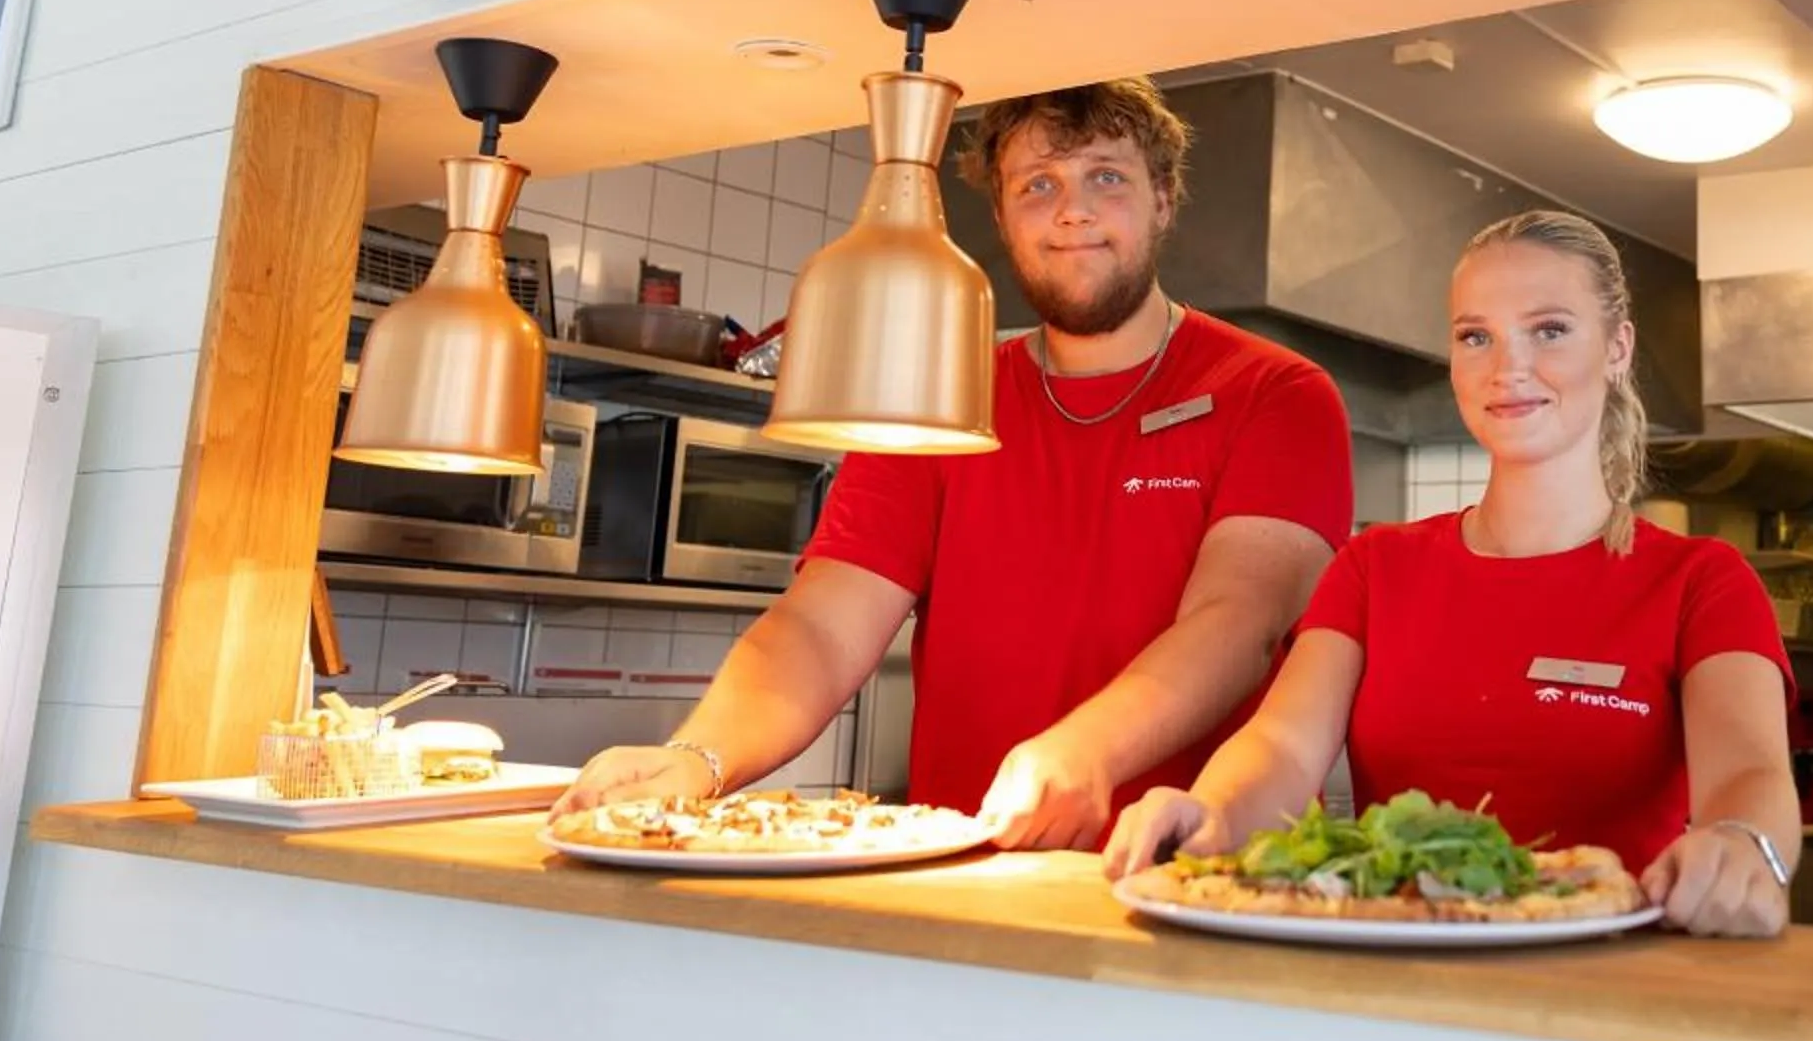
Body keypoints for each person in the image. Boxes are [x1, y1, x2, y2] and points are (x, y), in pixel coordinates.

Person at [558, 80, 1354, 850]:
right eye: (1038, 184)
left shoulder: (1274, 393)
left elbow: (1238, 621)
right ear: (1002, 217)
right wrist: (698, 758)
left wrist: (1090, 752)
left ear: (1164, 200)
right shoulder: (941, 394)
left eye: (1105, 177)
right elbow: (823, 622)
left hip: (1201, 880)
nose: (1073, 210)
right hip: (969, 872)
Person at [1104, 210, 1800, 937]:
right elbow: (1281, 745)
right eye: (1477, 337)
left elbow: (1748, 772)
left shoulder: (1701, 580)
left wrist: (1742, 843)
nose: (1509, 368)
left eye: (1550, 330)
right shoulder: (1374, 566)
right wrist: (1209, 811)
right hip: (1400, 978)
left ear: (1617, 347)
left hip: (1617, 990)